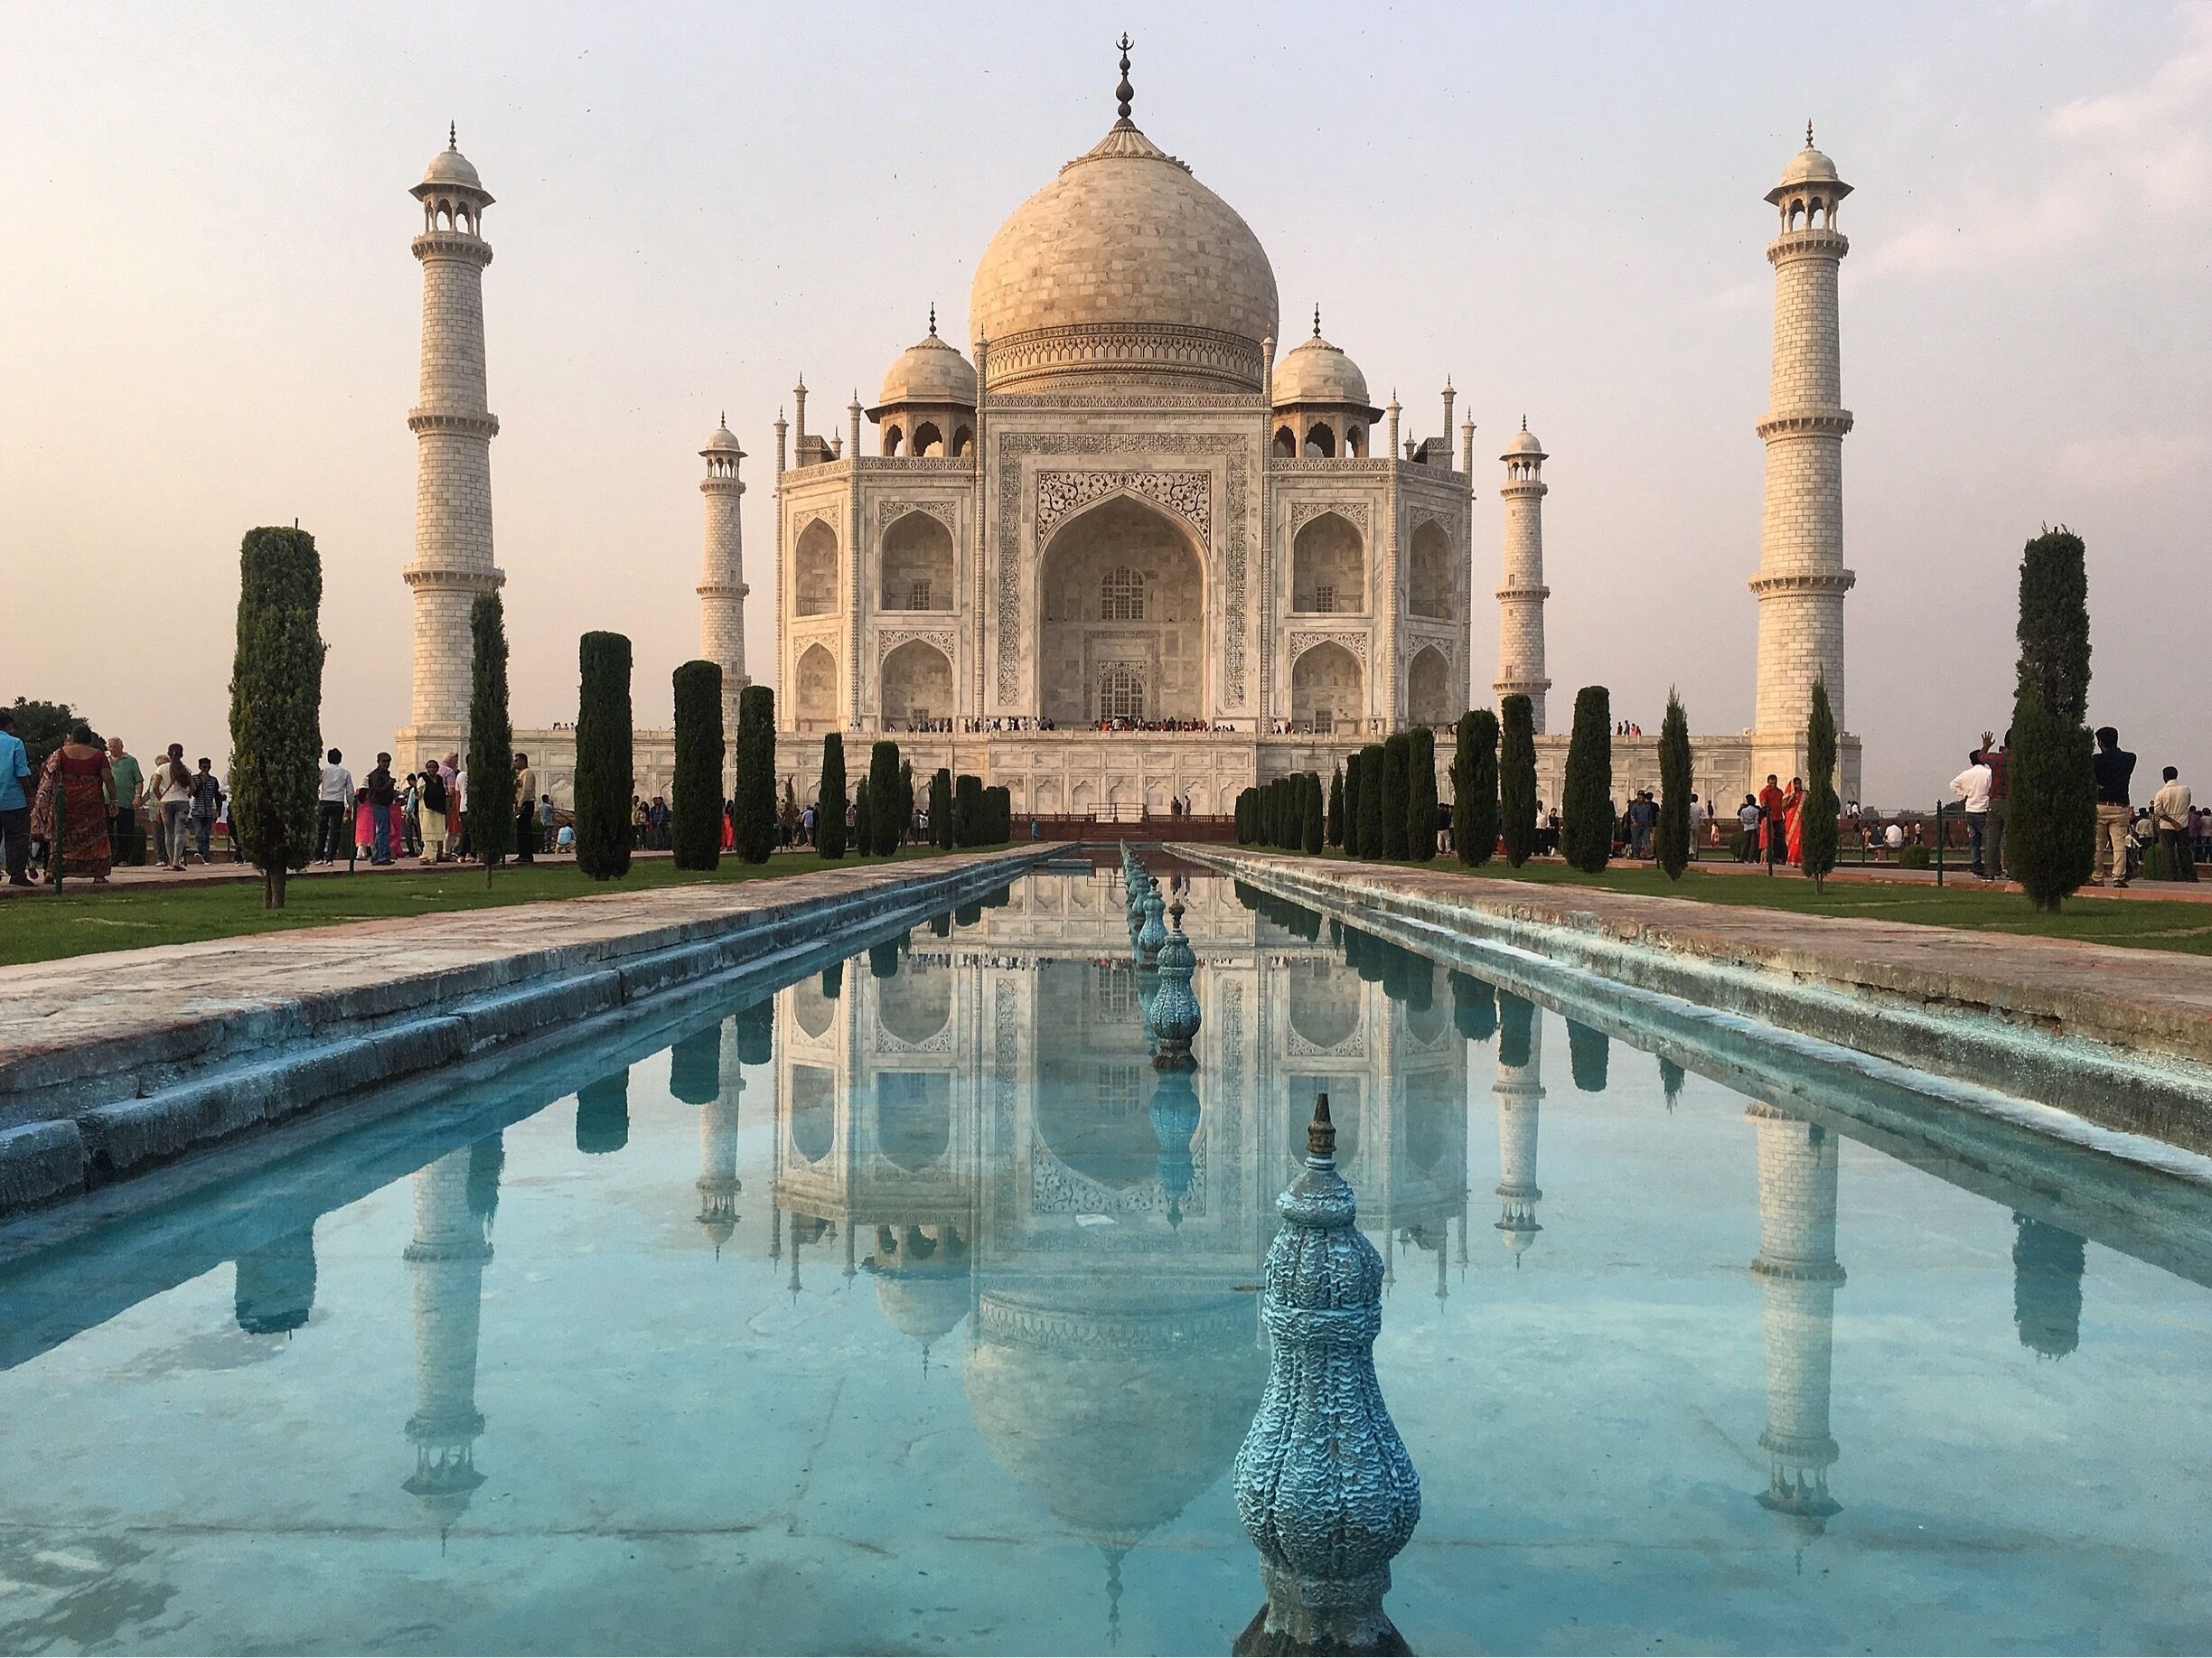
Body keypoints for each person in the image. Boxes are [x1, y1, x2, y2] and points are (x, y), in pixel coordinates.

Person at [33, 723, 116, 883]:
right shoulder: (99, 756)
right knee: (95, 836)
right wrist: (114, 799)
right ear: (89, 739)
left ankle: (53, 871)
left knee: (61, 836)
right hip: (91, 803)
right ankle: (98, 873)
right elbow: (108, 779)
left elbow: (49, 776)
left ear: (73, 737)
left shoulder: (60, 754)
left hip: (66, 801)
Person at [2092, 726, 2136, 887]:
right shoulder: (2129, 758)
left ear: (2101, 742)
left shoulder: (2096, 760)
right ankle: (2118, 877)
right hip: (2120, 806)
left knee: (2098, 844)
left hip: (2101, 804)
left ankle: (2097, 877)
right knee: (2119, 845)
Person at [1950, 749, 1994, 878]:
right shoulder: (1988, 773)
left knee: (1974, 842)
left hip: (1970, 810)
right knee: (1990, 841)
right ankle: (1991, 867)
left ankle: (1976, 867)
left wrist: (1964, 795)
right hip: (1984, 809)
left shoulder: (1966, 774)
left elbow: (1953, 785)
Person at [0, 711, 33, 887]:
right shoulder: (15, 743)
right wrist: (29, 795)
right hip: (13, 800)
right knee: (17, 838)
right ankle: (16, 873)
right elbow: (21, 772)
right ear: (7, 725)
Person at [149, 745, 194, 871]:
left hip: (166, 801)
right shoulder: (185, 769)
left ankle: (170, 861)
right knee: (180, 832)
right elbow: (193, 788)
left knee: (169, 833)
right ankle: (177, 860)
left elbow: (155, 788)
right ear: (182, 754)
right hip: (182, 800)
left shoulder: (162, 768)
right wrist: (187, 794)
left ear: (168, 754)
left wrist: (160, 799)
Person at [1975, 728, 2010, 882]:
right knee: (2011, 839)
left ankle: (1990, 871)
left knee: (1992, 840)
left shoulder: (1997, 759)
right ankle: (2012, 870)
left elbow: (1980, 757)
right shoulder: (2021, 759)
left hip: (1995, 802)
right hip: (2012, 801)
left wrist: (1986, 746)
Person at [2151, 766, 2195, 882]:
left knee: (2168, 851)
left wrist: (2171, 821)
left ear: (2164, 777)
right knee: (2184, 850)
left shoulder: (2161, 793)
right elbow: (2188, 803)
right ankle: (2189, 875)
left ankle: (2172, 875)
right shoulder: (2186, 789)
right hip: (2183, 824)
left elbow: (2158, 811)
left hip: (2166, 825)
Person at [105, 736, 144, 867]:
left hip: (125, 802)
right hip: (107, 801)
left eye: (114, 746)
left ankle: (123, 858)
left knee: (125, 832)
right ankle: (108, 857)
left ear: (121, 746)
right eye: (110, 746)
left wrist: (138, 796)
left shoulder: (131, 761)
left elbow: (139, 780)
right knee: (107, 831)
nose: (112, 749)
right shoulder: (105, 761)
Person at [315, 748, 352, 862]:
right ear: (340, 759)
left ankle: (319, 856)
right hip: (338, 802)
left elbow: (315, 784)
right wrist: (350, 806)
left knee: (322, 829)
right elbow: (350, 791)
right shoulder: (345, 773)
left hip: (325, 801)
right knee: (335, 830)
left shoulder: (323, 771)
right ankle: (330, 858)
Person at [362, 754, 397, 865]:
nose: (386, 764)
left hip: (384, 804)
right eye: (384, 761)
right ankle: (382, 856)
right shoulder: (376, 775)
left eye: (388, 762)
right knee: (383, 831)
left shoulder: (385, 774)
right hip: (379, 804)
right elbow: (378, 789)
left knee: (383, 830)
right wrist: (389, 784)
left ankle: (377, 856)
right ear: (378, 762)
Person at [187, 757, 222, 866]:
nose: (205, 769)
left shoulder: (213, 780)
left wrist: (218, 810)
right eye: (203, 767)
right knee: (199, 833)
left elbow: (217, 795)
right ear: (199, 767)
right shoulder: (194, 779)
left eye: (207, 767)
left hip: (208, 812)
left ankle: (205, 855)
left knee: (206, 834)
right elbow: (193, 794)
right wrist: (199, 784)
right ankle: (200, 852)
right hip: (197, 811)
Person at [417, 763, 449, 864]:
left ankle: (425, 856)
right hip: (426, 810)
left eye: (434, 767)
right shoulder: (422, 780)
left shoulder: (440, 780)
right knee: (428, 834)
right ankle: (432, 857)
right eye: (430, 767)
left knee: (436, 834)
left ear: (438, 768)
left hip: (438, 809)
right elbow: (418, 794)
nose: (432, 769)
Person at [1757, 773, 1786, 871]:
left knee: (1780, 839)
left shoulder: (1779, 792)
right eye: (1771, 783)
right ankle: (1767, 859)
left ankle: (1778, 857)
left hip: (1778, 818)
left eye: (1774, 783)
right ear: (1768, 782)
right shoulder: (1764, 792)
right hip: (1769, 818)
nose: (1773, 785)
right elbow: (1763, 804)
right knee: (1768, 841)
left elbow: (1782, 804)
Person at [513, 752, 536, 862]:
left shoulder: (528, 773)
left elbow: (526, 790)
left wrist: (520, 804)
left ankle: (527, 855)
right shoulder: (521, 773)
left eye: (517, 761)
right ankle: (522, 854)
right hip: (521, 803)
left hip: (526, 804)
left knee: (525, 829)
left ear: (523, 761)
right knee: (521, 830)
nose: (515, 763)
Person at [1737, 794, 1761, 861]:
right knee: (1753, 844)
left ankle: (1741, 857)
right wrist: (1757, 828)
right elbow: (1756, 820)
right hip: (1753, 828)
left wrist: (1745, 823)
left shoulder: (1743, 810)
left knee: (1745, 843)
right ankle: (1751, 858)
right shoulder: (1756, 810)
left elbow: (1742, 819)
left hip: (1746, 828)